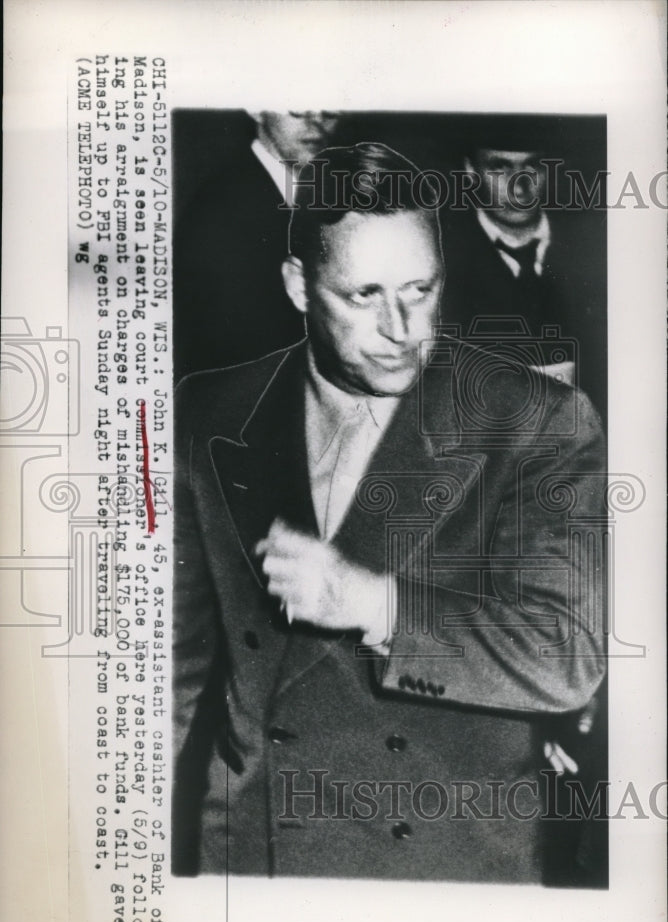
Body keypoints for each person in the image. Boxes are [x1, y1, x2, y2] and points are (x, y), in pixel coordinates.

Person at [172, 142, 607, 883]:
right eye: (364, 295)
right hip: (251, 858)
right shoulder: (209, 410)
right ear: (300, 287)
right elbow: (177, 666)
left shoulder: (536, 420)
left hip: (446, 870)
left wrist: (370, 603)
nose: (402, 328)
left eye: (421, 289)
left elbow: (567, 657)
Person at [441, 115, 607, 425]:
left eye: (532, 166)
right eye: (500, 168)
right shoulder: (440, 260)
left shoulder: (598, 250)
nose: (520, 186)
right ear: (470, 171)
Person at [172, 110, 341, 380]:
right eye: (298, 105)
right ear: (256, 107)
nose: (316, 122)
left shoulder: (328, 191)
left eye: (330, 109)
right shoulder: (218, 212)